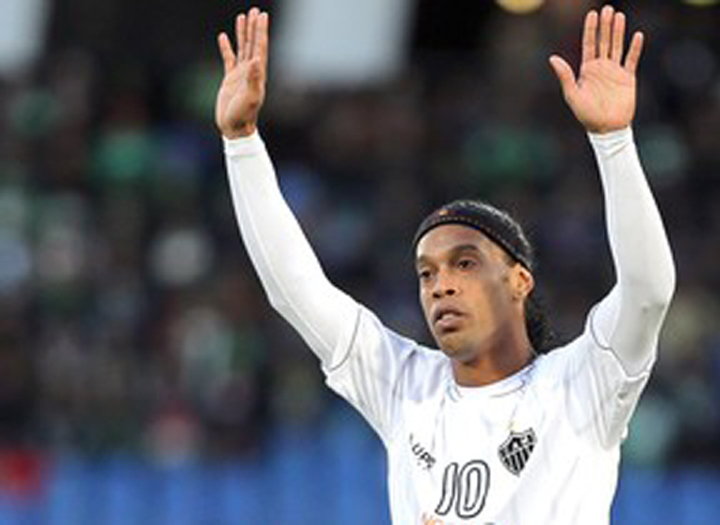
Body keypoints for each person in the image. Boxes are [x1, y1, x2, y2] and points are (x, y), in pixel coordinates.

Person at [215, 5, 675, 524]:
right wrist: (241, 143)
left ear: (519, 280)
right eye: (427, 273)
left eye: (465, 263)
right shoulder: (405, 386)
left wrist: (613, 142)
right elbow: (294, 290)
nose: (441, 286)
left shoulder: (580, 383)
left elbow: (648, 292)